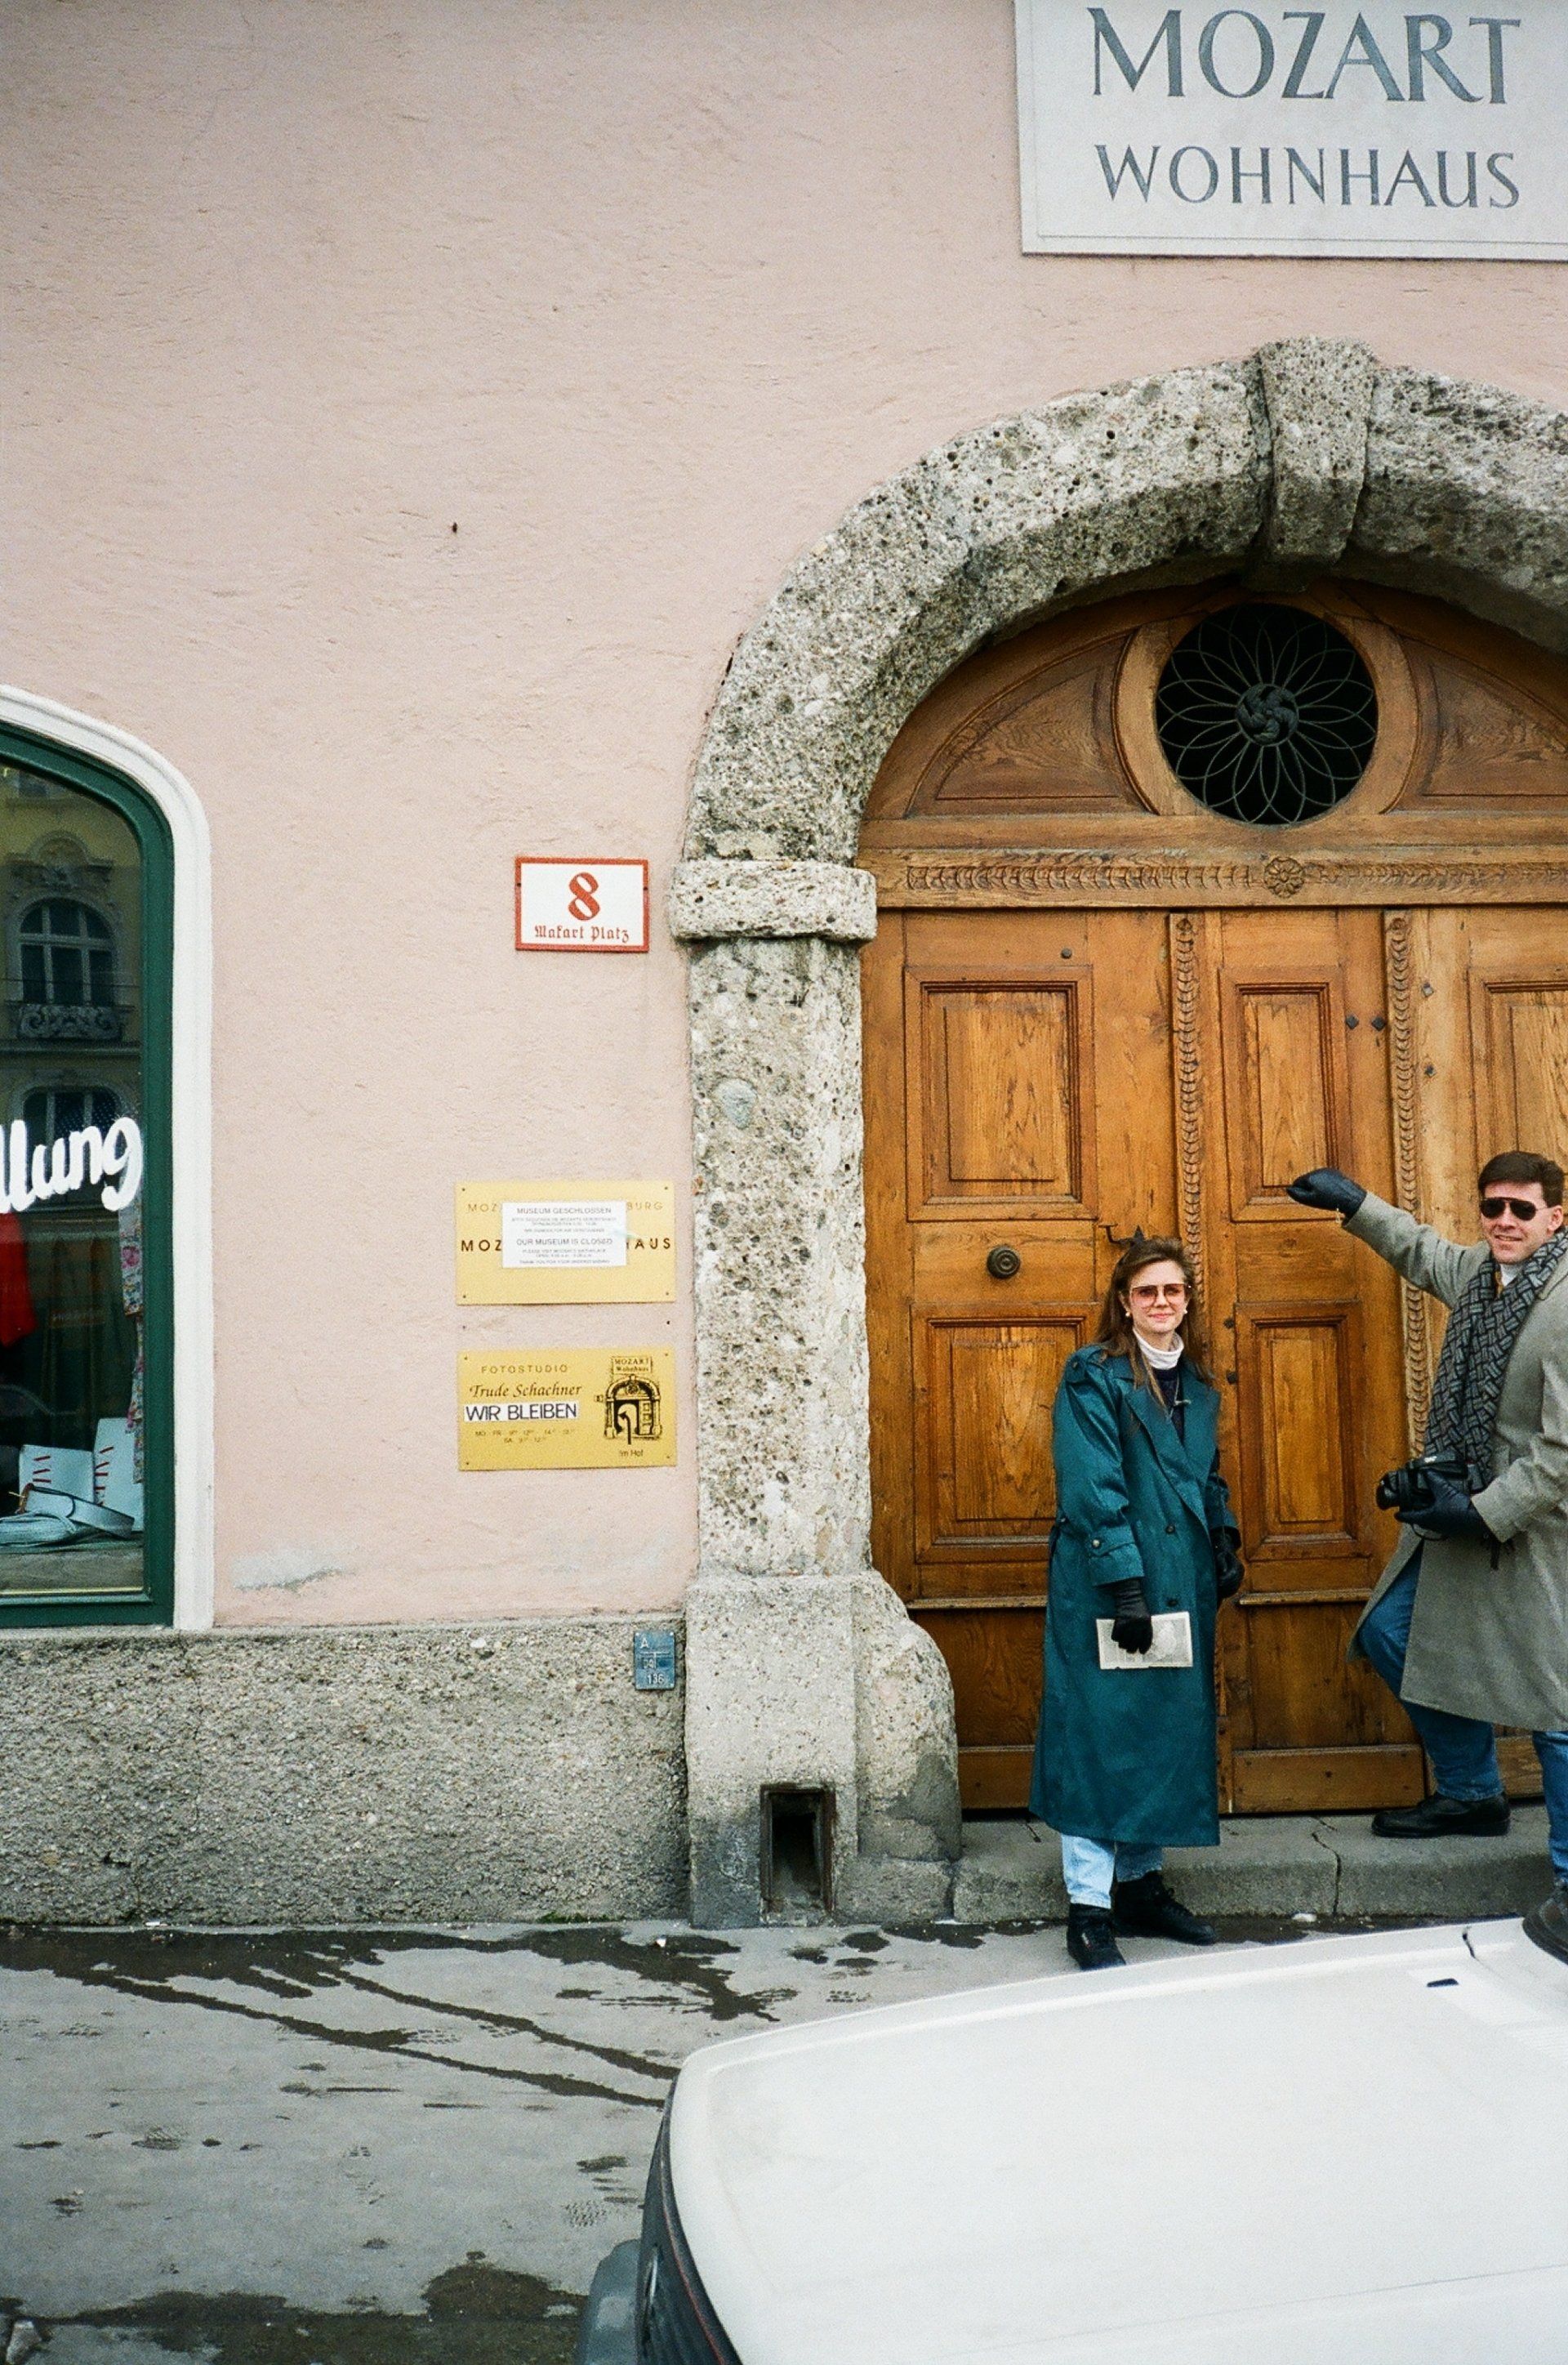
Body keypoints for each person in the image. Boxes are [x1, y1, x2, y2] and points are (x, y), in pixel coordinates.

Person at [1288, 1152, 1568, 1949]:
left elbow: (1562, 1455)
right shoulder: (1484, 1273)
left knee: (1559, 1708)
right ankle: (1473, 1791)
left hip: (1535, 1532)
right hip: (1457, 1515)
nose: (1504, 1221)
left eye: (1522, 1208)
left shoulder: (1565, 1302)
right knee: (1389, 1631)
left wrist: (1478, 1514)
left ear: (1557, 1217)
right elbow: (1423, 1252)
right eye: (1493, 1207)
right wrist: (1355, 1202)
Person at [1030, 1237, 1244, 1971]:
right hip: (1110, 1583)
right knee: (1098, 1737)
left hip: (1179, 1580)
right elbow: (1091, 1483)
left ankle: (1141, 1887)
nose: (1161, 1303)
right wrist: (1124, 1584)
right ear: (1125, 1301)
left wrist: (1224, 1540)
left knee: (1160, 1733)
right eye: (1148, 1291)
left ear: (1188, 1300)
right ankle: (1089, 1909)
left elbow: (1205, 1476)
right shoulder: (1094, 1376)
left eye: (1174, 1292)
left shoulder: (1200, 1384)